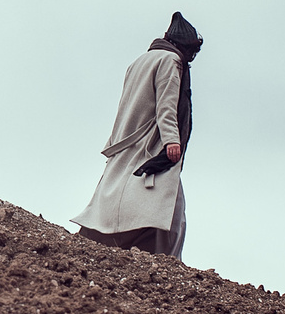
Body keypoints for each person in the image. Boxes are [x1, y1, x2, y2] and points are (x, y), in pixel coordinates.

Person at [70, 13, 201, 258]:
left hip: (127, 139)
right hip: (150, 141)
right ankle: (167, 265)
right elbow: (167, 103)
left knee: (121, 196)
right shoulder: (171, 60)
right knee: (170, 209)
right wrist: (172, 139)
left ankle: (105, 247)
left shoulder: (141, 60)